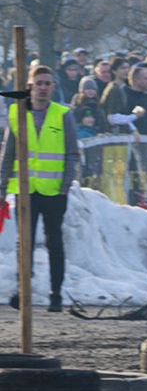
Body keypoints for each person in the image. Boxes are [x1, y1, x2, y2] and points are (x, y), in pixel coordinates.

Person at [4, 64, 81, 311]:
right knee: (24, 242)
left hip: (55, 190)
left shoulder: (62, 114)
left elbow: (72, 152)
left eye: (47, 84)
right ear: (30, 86)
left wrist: (66, 183)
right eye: (39, 83)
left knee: (54, 242)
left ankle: (55, 293)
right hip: (26, 190)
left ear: (53, 87)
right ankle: (22, 289)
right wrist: (2, 188)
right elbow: (8, 155)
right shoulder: (17, 113)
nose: (43, 88)